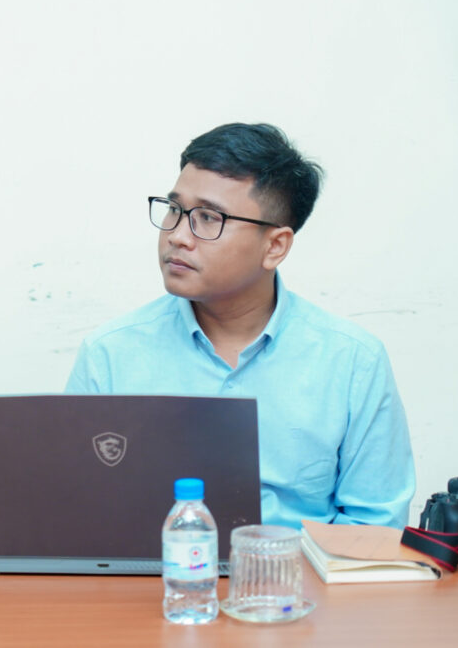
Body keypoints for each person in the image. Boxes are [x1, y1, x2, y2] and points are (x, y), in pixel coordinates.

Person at [65, 123, 414, 529]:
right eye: (174, 210)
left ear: (275, 246)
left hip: (297, 569)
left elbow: (374, 527)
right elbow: (76, 513)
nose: (178, 236)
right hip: (155, 569)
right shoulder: (110, 355)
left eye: (208, 218)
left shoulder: (352, 361)